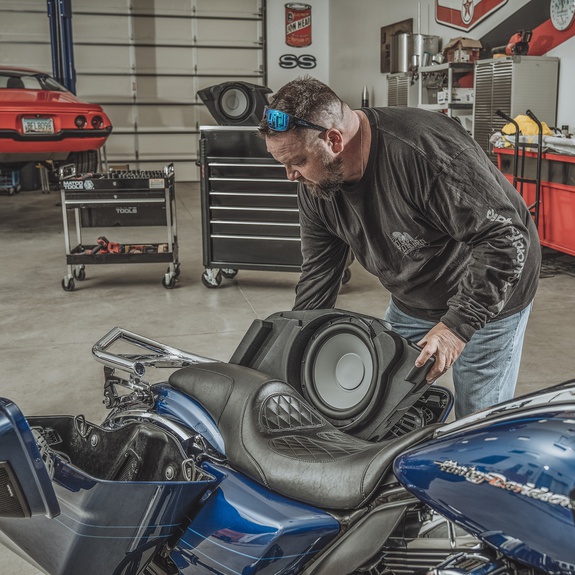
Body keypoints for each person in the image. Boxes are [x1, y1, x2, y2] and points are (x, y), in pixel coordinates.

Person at [258, 76, 540, 419]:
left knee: (477, 421)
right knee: (379, 400)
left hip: (491, 291)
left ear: (333, 140)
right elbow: (319, 275)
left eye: (297, 162)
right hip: (414, 295)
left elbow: (504, 240)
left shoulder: (426, 153)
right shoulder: (317, 188)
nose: (290, 176)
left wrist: (457, 327)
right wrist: (294, 349)